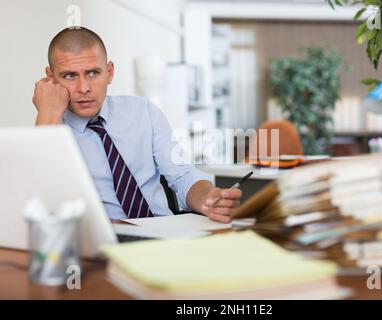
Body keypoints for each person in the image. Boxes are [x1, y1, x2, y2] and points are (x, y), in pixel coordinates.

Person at [32, 27, 241, 223]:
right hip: (102, 245)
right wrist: (47, 115)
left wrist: (207, 198)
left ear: (110, 72)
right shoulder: (49, 131)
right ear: (51, 78)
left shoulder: (143, 112)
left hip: (163, 234)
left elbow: (183, 175)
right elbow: (41, 204)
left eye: (93, 73)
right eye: (69, 76)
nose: (83, 88)